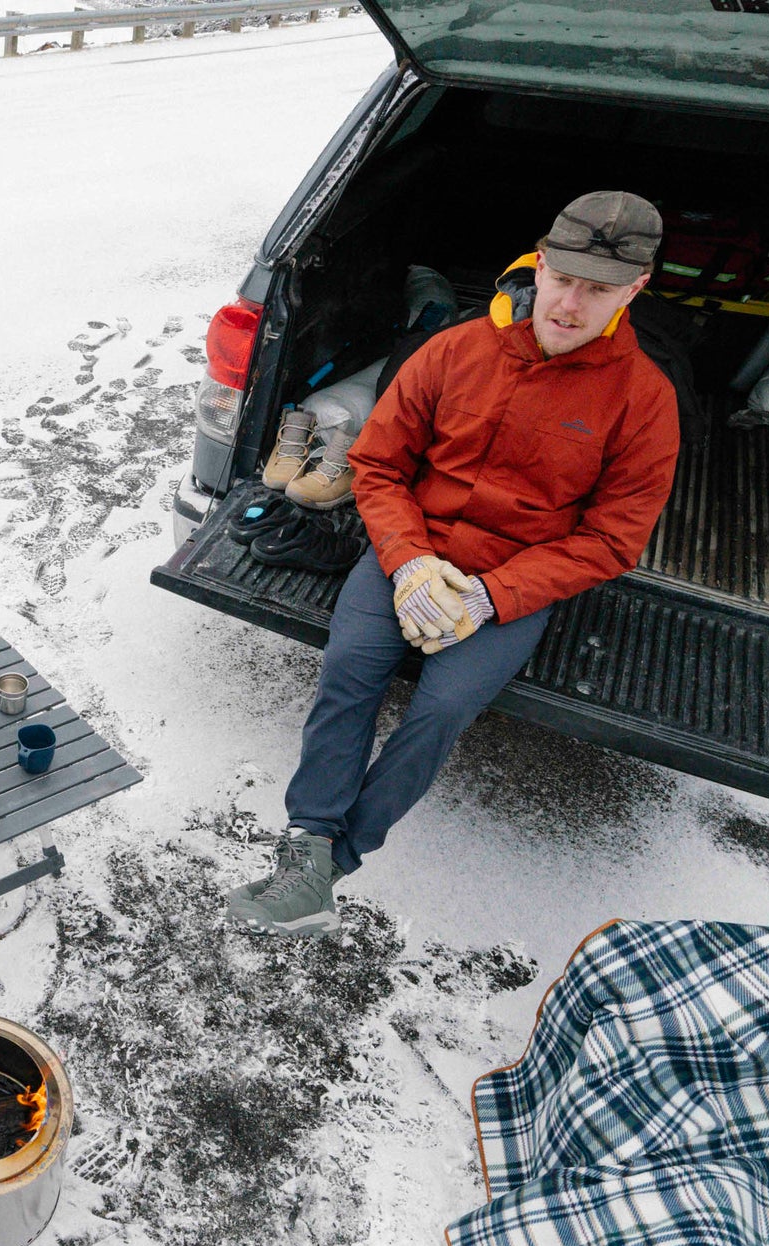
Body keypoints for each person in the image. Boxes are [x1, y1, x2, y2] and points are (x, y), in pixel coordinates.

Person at [227, 192, 682, 935]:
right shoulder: (455, 350)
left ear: (636, 289)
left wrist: (489, 599)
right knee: (348, 673)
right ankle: (307, 841)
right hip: (412, 551)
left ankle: (333, 863)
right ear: (540, 262)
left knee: (441, 711)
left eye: (598, 289)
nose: (570, 303)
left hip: (510, 580)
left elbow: (611, 540)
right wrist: (407, 564)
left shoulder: (644, 401)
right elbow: (376, 466)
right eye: (562, 278)